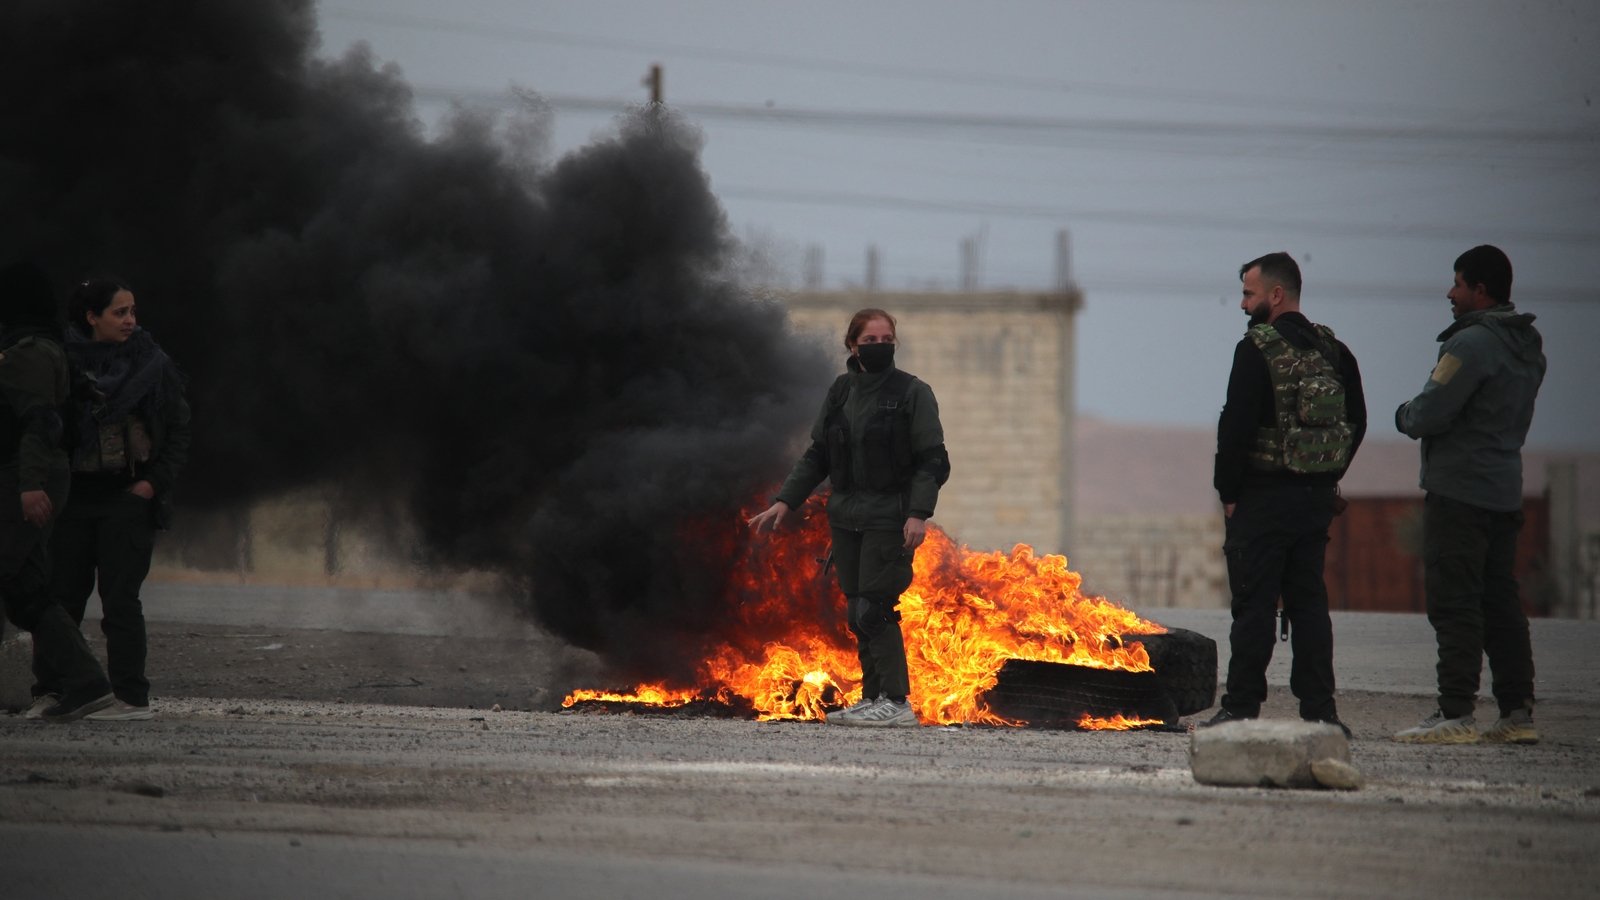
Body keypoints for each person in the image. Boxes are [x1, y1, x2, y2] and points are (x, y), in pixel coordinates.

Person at [748, 308, 950, 728]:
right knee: (857, 611)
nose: (879, 346)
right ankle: (871, 698)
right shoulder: (841, 392)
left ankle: (896, 702)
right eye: (870, 340)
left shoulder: (912, 392)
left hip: (888, 517)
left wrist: (918, 514)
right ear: (852, 346)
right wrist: (785, 501)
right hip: (845, 518)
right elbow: (818, 454)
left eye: (886, 339)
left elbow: (933, 460)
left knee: (876, 608)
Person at [1204, 252, 1366, 737]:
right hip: (1314, 500)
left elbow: (1235, 428)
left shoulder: (1255, 349)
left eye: (1248, 294)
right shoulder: (1334, 351)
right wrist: (1325, 474)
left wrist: (1229, 493)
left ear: (1276, 295)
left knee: (1253, 606)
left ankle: (1240, 710)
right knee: (1309, 604)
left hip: (1263, 499)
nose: (1242, 304)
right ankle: (1320, 713)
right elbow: (1356, 422)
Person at [1393, 245, 1544, 745]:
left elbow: (1430, 411)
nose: (1450, 293)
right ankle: (1517, 712)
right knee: (1501, 603)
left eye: (1457, 283)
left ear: (1481, 290)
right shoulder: (1527, 345)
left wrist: (1403, 414)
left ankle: (1455, 712)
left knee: (1455, 602)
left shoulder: (1472, 344)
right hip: (1504, 491)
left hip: (1459, 493)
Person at [28, 278, 190, 722]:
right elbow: (37, 428)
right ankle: (54, 691)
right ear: (91, 317)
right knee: (60, 600)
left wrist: (151, 485)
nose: (130, 320)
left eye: (132, 311)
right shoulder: (59, 362)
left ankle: (130, 698)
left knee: (121, 603)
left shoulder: (151, 364)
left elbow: (177, 431)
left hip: (126, 500)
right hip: (71, 501)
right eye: (120, 312)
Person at [0, 259, 114, 722]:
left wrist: (29, 485)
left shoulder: (28, 352)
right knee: (26, 588)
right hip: (32, 475)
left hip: (27, 477)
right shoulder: (41, 345)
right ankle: (84, 684)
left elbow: (40, 423)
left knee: (15, 579)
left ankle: (85, 683)